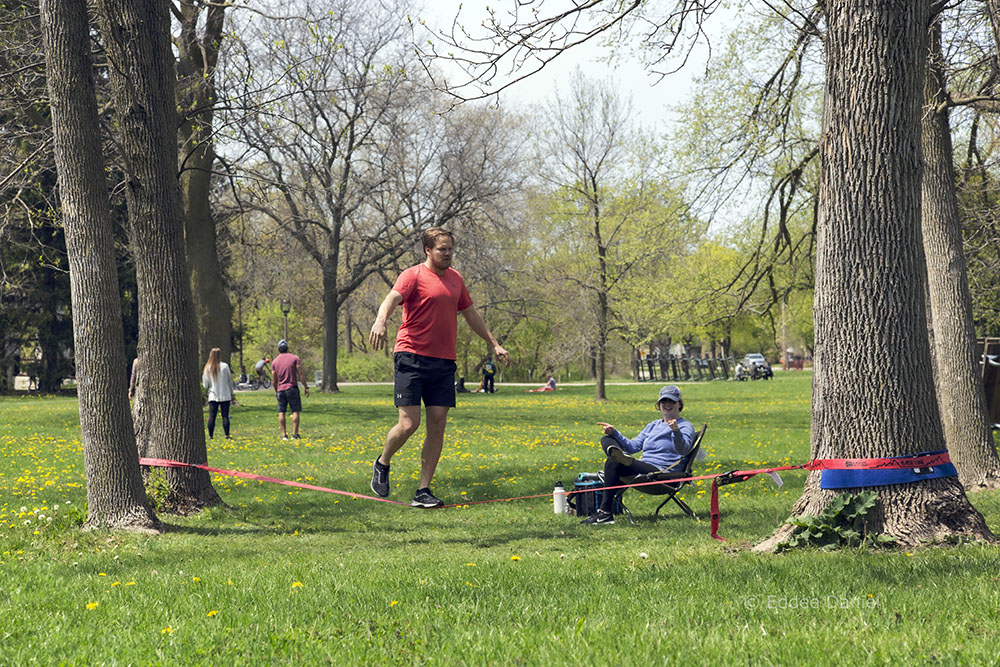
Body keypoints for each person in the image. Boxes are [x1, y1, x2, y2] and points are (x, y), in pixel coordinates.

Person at [369, 227, 509, 508]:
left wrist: (493, 343)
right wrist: (380, 320)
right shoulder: (413, 276)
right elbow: (391, 299)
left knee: (437, 425)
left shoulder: (456, 279)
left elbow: (470, 313)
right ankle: (383, 463)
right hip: (411, 356)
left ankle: (423, 490)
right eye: (442, 249)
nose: (447, 254)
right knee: (409, 423)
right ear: (428, 251)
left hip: (443, 361)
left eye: (450, 249)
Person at [585, 385, 696, 525]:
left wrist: (676, 432)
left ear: (679, 404)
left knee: (613, 462)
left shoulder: (685, 426)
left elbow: (683, 450)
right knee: (607, 441)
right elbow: (633, 446)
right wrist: (614, 432)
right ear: (659, 405)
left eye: (672, 401)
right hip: (643, 467)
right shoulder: (653, 425)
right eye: (664, 401)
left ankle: (605, 514)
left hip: (663, 473)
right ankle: (617, 454)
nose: (667, 404)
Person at [272, 339, 309, 440]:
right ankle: (295, 434)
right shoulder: (294, 358)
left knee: (281, 411)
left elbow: (274, 380)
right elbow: (300, 374)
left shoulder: (275, 362)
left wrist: (276, 390)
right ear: (287, 348)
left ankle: (284, 435)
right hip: (292, 388)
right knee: (295, 411)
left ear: (278, 349)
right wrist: (306, 386)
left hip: (281, 389)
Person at [202, 347, 234, 439]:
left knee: (212, 415)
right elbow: (229, 381)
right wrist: (232, 393)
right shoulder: (224, 366)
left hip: (213, 395)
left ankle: (211, 435)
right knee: (225, 415)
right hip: (225, 394)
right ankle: (226, 434)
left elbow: (205, 384)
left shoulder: (208, 367)